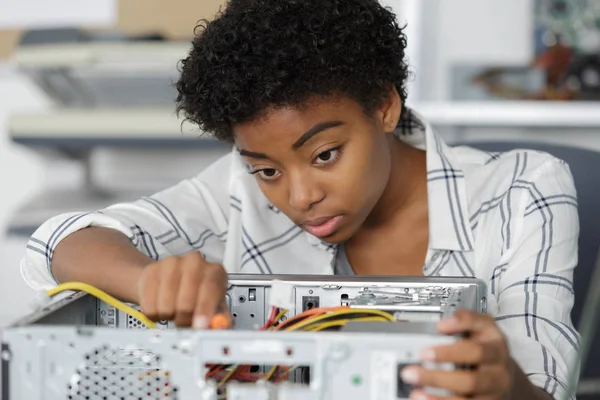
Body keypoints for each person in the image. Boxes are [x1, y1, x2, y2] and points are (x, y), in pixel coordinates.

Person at [20, 0, 579, 398]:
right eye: (267, 168)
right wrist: (147, 282)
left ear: (384, 107)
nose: (300, 196)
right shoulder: (238, 191)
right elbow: (57, 243)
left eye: (325, 154)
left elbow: (546, 388)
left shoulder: (523, 190)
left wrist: (503, 385)